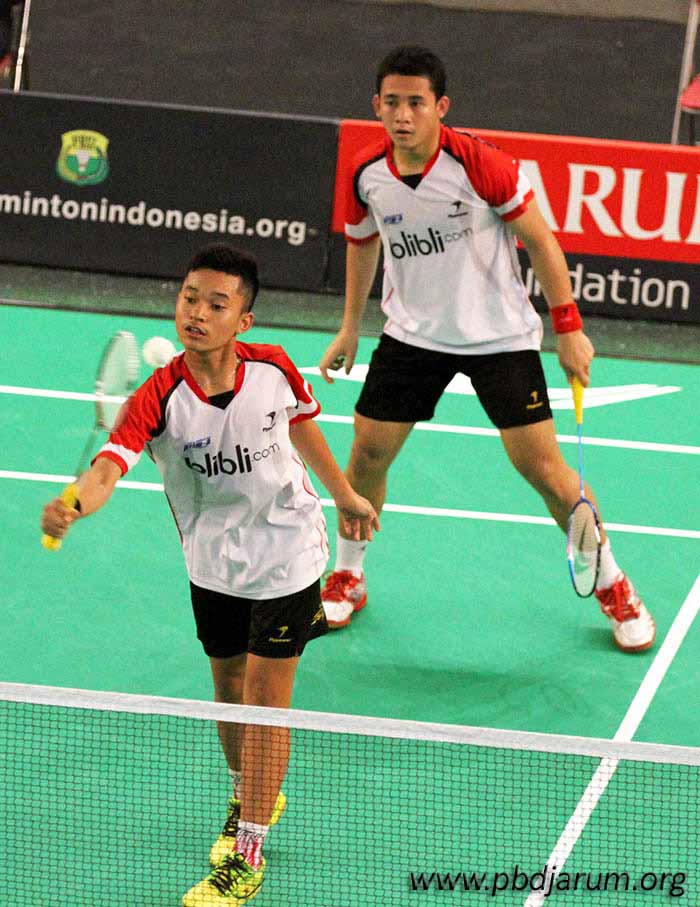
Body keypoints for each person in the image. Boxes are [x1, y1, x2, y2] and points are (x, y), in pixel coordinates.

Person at [41, 243, 379, 906]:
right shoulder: (158, 395)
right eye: (189, 298)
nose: (196, 313)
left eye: (215, 304)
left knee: (265, 700)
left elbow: (302, 427)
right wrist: (74, 503)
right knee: (227, 691)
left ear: (242, 320)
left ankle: (248, 851)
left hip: (287, 553)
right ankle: (249, 795)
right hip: (213, 562)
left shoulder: (273, 367)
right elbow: (108, 468)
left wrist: (343, 495)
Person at [318, 45, 655, 653]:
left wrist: (568, 327)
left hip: (498, 338)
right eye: (391, 102)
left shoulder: (479, 164)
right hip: (412, 334)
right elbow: (361, 242)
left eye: (416, 103)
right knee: (366, 456)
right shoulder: (366, 173)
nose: (402, 115)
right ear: (376, 105)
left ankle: (612, 582)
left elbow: (541, 241)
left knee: (545, 472)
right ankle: (348, 573)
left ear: (441, 106)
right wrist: (349, 327)